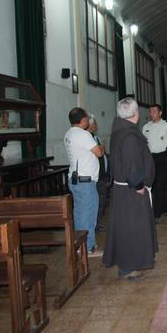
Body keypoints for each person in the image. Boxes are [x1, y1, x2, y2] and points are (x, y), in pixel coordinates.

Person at [103, 97, 157, 281]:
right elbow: (132, 165)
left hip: (125, 189)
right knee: (132, 229)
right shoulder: (129, 136)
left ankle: (129, 264)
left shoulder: (120, 131)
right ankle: (128, 267)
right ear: (136, 113)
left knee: (129, 227)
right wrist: (139, 186)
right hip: (131, 190)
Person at [64, 107, 105, 257]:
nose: (89, 120)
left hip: (76, 179)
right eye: (87, 118)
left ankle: (80, 246)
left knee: (80, 214)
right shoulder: (83, 134)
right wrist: (102, 146)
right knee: (88, 214)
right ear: (83, 120)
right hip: (85, 181)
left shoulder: (69, 133)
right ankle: (88, 247)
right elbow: (99, 152)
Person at [142, 104, 167, 222]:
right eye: (150, 111)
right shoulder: (146, 127)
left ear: (160, 113)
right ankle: (164, 207)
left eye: (154, 111)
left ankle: (156, 214)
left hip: (163, 157)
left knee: (160, 184)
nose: (152, 113)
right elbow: (143, 145)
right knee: (153, 185)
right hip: (151, 158)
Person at [87, 115, 109, 231]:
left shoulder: (94, 137)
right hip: (96, 175)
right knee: (98, 201)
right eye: (95, 123)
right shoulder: (88, 137)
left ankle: (97, 223)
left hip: (101, 174)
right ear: (90, 125)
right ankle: (95, 224)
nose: (96, 126)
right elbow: (99, 153)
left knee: (101, 200)